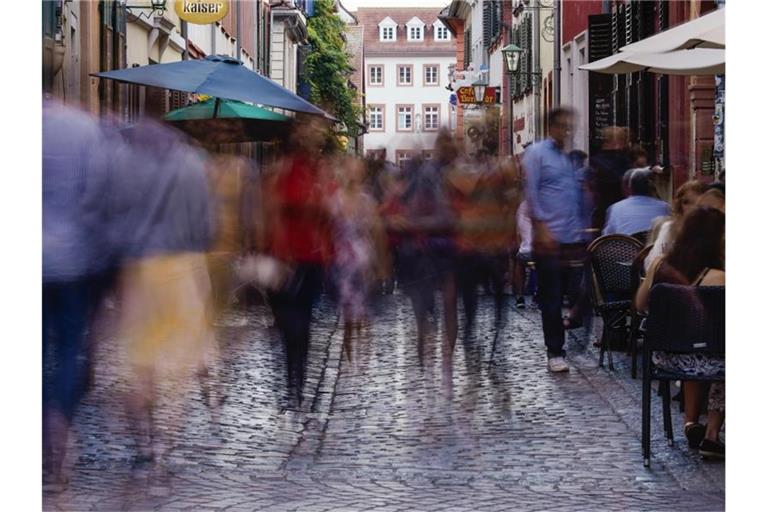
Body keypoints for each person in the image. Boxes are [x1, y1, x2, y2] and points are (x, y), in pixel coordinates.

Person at [43, 101, 115, 486]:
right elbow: (98, 200)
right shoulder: (83, 129)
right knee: (69, 350)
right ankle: (57, 426)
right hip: (72, 262)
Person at [635, 206, 725, 459]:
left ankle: (691, 422)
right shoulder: (719, 277)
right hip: (709, 360)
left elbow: (641, 306)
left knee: (705, 349)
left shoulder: (659, 266)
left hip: (665, 359)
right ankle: (712, 435)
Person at [258, 118, 335, 409]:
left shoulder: (319, 174)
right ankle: (293, 378)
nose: (312, 144)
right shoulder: (281, 173)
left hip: (311, 257)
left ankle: (297, 382)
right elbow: (270, 211)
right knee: (289, 322)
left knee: (301, 323)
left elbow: (329, 213)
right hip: (285, 257)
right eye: (308, 139)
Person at [523, 107, 588, 373]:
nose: (568, 131)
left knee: (578, 293)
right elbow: (532, 192)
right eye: (563, 126)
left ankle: (570, 340)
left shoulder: (569, 159)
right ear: (551, 127)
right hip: (549, 238)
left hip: (572, 237)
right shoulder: (536, 154)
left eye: (570, 126)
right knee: (551, 297)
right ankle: (555, 351)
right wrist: (541, 227)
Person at [644, 180, 708, 271]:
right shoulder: (669, 228)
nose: (691, 208)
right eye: (686, 202)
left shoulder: (712, 230)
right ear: (679, 205)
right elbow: (651, 265)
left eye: (698, 203)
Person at [586, 126, 633, 230]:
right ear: (617, 141)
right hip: (621, 211)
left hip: (601, 210)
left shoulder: (595, 161)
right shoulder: (623, 161)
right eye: (624, 140)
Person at [602, 168, 670, 236]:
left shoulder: (615, 208)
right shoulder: (666, 207)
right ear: (651, 187)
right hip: (656, 246)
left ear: (629, 188)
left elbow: (607, 237)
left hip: (627, 246)